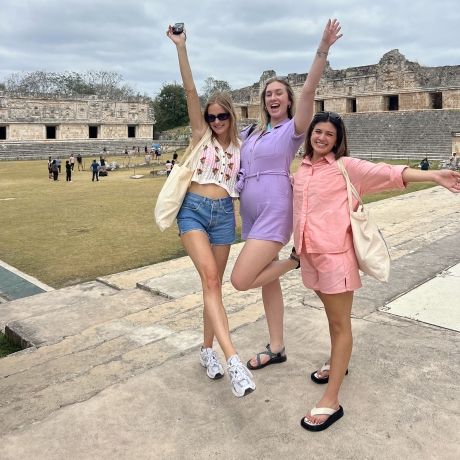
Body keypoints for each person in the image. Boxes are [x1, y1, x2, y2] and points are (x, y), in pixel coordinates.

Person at [293, 111, 460, 431]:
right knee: (333, 319)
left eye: (330, 134)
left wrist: (436, 176)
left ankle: (332, 399)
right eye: (318, 132)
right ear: (310, 134)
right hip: (309, 256)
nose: (322, 138)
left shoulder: (347, 167)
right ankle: (336, 364)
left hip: (336, 258)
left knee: (341, 325)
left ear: (339, 140)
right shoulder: (303, 169)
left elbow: (389, 172)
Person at [230, 20, 342, 372]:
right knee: (268, 281)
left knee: (242, 279)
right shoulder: (251, 131)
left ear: (289, 101)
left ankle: (296, 260)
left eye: (279, 93)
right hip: (249, 210)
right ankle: (276, 347)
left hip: (276, 209)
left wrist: (322, 49)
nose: (273, 98)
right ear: (262, 101)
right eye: (268, 94)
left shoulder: (292, 130)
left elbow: (309, 92)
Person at [167, 24, 255, 397]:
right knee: (209, 280)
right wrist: (181, 48)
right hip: (194, 211)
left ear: (232, 117)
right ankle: (234, 361)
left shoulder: (242, 145)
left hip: (224, 215)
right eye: (212, 116)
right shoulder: (200, 135)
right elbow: (190, 90)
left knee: (214, 288)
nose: (216, 122)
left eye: (222, 117)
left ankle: (207, 351)